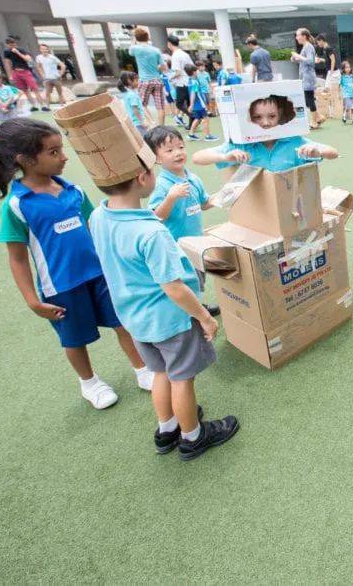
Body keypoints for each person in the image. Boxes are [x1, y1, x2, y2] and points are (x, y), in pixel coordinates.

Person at [0, 118, 152, 411]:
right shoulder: (17, 205)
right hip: (60, 286)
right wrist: (32, 301)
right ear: (25, 159)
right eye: (53, 152)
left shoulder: (74, 191)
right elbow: (17, 258)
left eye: (61, 149)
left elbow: (96, 227)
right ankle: (89, 383)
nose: (63, 157)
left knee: (123, 322)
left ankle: (142, 368)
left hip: (100, 275)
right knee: (74, 339)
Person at [88, 158, 239, 461]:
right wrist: (204, 317)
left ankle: (167, 428)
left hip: (135, 317)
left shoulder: (99, 215)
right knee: (182, 377)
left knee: (160, 372)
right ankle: (193, 436)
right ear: (142, 177)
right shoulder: (151, 232)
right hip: (169, 319)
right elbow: (174, 288)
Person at [145, 125, 221, 318]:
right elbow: (156, 217)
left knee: (198, 279)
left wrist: (222, 196)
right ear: (156, 158)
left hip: (196, 243)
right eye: (169, 150)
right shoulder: (161, 185)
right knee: (184, 283)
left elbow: (204, 203)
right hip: (175, 248)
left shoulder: (193, 178)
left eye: (180, 147)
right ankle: (192, 314)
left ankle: (197, 307)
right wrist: (171, 197)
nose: (178, 153)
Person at [192, 95, 338, 172]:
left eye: (272, 116)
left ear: (280, 116)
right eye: (258, 117)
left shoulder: (293, 141)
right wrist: (224, 157)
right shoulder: (241, 145)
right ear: (249, 118)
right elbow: (197, 158)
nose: (266, 123)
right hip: (256, 209)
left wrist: (318, 152)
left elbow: (333, 153)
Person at [130, 27, 167, 126]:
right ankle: (162, 127)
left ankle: (151, 123)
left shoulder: (135, 49)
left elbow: (130, 50)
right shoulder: (156, 50)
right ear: (148, 37)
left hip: (144, 80)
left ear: (137, 38)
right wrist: (156, 68)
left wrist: (133, 38)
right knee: (160, 107)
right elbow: (163, 67)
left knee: (142, 104)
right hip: (157, 80)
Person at [3, 37, 48, 112]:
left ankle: (43, 105)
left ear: (15, 43)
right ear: (7, 45)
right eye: (10, 45)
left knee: (34, 88)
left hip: (25, 71)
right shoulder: (7, 52)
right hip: (15, 72)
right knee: (25, 90)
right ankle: (33, 105)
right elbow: (7, 63)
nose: (12, 46)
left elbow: (28, 59)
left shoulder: (21, 50)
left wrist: (17, 52)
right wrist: (10, 75)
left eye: (13, 44)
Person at [290, 27, 322, 129]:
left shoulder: (308, 47)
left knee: (309, 99)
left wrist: (298, 56)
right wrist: (296, 58)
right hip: (306, 77)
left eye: (298, 35)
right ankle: (319, 117)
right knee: (308, 99)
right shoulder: (306, 47)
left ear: (304, 36)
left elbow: (310, 61)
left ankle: (314, 121)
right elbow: (306, 60)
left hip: (308, 77)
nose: (296, 38)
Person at [166, 35, 194, 128]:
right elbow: (192, 67)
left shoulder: (175, 55)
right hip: (189, 81)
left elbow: (177, 72)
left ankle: (192, 116)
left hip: (182, 83)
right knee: (189, 103)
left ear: (169, 44)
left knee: (179, 104)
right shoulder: (185, 54)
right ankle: (191, 124)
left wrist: (171, 78)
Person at [184, 63, 212, 140]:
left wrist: (192, 105)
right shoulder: (195, 82)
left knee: (198, 118)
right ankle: (208, 136)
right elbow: (193, 93)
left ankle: (191, 134)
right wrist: (191, 104)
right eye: (196, 71)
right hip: (199, 104)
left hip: (196, 105)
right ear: (194, 72)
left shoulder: (189, 81)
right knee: (206, 118)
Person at [118, 71, 151, 136]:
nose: (138, 82)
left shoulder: (126, 94)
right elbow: (135, 109)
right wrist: (142, 122)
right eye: (136, 80)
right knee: (145, 139)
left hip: (134, 122)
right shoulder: (132, 95)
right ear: (129, 81)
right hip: (138, 123)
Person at [338, 60, 353, 125]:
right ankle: (344, 116)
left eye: (349, 67)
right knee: (348, 107)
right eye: (346, 67)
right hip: (346, 94)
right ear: (343, 69)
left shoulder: (352, 76)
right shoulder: (342, 76)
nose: (348, 69)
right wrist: (339, 94)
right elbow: (339, 85)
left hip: (352, 94)